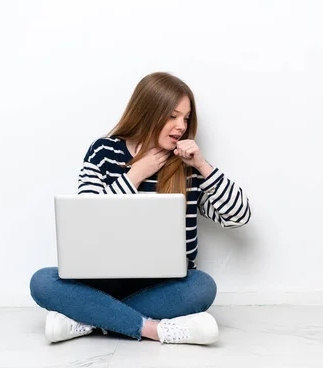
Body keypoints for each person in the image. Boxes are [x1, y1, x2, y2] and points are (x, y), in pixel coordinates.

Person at [29, 72, 251, 345]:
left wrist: (203, 166)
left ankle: (88, 318)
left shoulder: (186, 164)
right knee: (42, 282)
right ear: (148, 112)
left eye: (186, 117)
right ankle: (153, 329)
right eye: (172, 115)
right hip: (101, 281)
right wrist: (135, 175)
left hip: (161, 285)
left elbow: (238, 216)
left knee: (203, 287)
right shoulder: (103, 152)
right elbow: (87, 220)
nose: (181, 126)